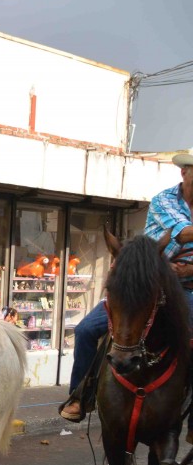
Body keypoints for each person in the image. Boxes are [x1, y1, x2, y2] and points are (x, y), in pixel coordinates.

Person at [61, 150, 193, 426]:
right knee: (86, 330)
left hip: (189, 287)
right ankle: (80, 395)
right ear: (184, 172)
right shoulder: (164, 200)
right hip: (146, 284)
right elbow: (182, 234)